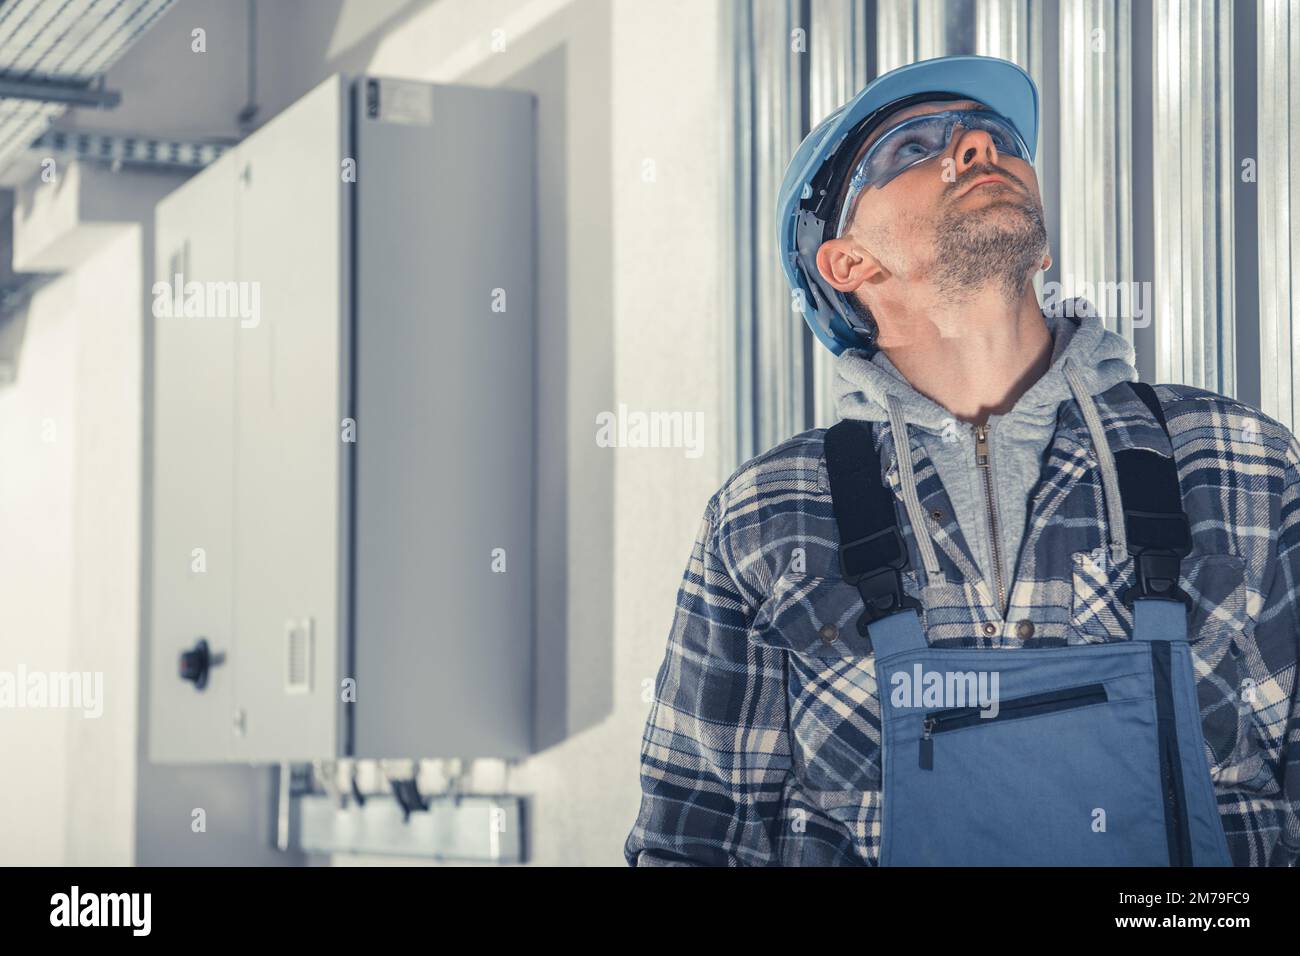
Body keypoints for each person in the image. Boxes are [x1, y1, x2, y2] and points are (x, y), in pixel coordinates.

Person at [624, 54, 1299, 866]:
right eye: (914, 147)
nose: (979, 146)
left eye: (999, 140)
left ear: (1039, 244)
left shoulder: (1240, 463)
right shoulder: (768, 516)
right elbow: (696, 838)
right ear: (848, 264)